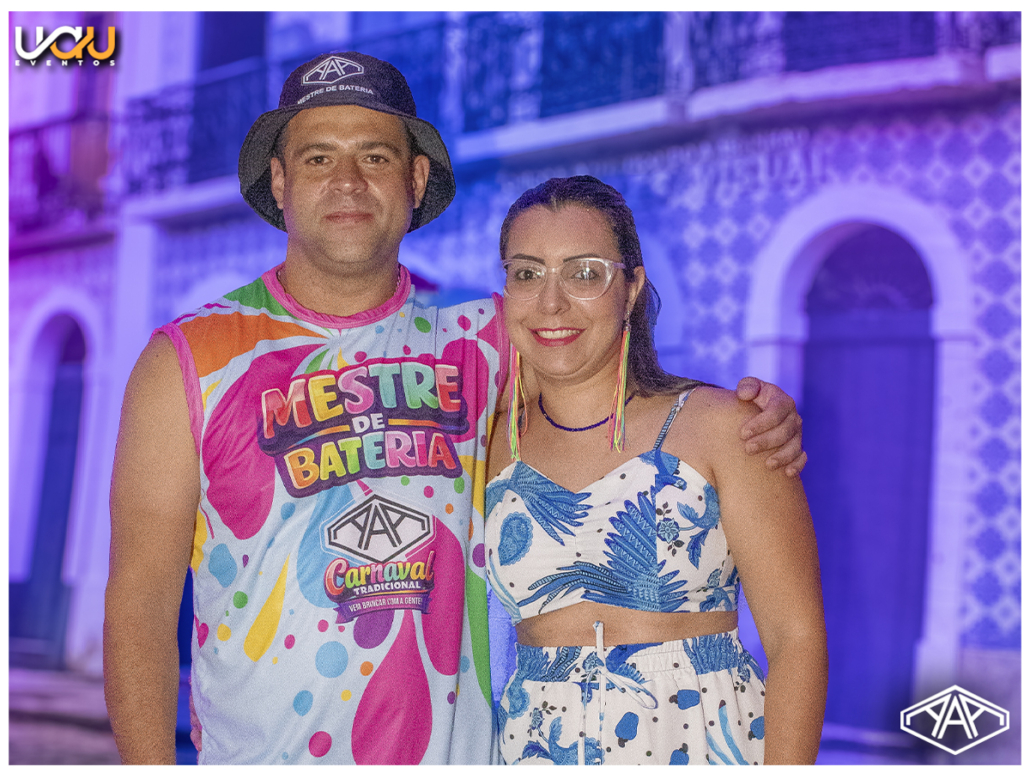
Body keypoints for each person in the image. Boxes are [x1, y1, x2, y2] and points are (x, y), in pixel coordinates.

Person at [103, 52, 807, 765]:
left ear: (415, 181)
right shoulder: (189, 361)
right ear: (280, 181)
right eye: (318, 157)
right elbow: (139, 610)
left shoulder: (487, 335)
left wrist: (751, 414)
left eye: (375, 156)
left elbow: (612, 380)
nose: (347, 180)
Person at [484, 176, 827, 765]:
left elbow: (796, 640)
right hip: (535, 746)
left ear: (632, 288)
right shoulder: (486, 446)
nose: (551, 302)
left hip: (701, 739)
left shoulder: (724, 427)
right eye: (528, 273)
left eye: (584, 273)